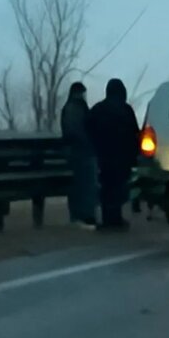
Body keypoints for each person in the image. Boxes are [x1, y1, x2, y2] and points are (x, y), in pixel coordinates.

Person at [88, 79, 140, 230]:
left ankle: (107, 219)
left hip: (103, 155)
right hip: (123, 156)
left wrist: (95, 146)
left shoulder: (98, 109)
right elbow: (134, 133)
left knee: (106, 187)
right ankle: (116, 219)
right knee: (118, 187)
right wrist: (134, 154)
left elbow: (87, 127)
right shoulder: (126, 110)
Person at [61, 82, 97, 228]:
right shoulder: (76, 108)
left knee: (80, 185)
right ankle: (85, 215)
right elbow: (76, 131)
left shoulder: (70, 107)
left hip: (76, 152)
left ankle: (79, 215)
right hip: (81, 152)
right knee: (86, 184)